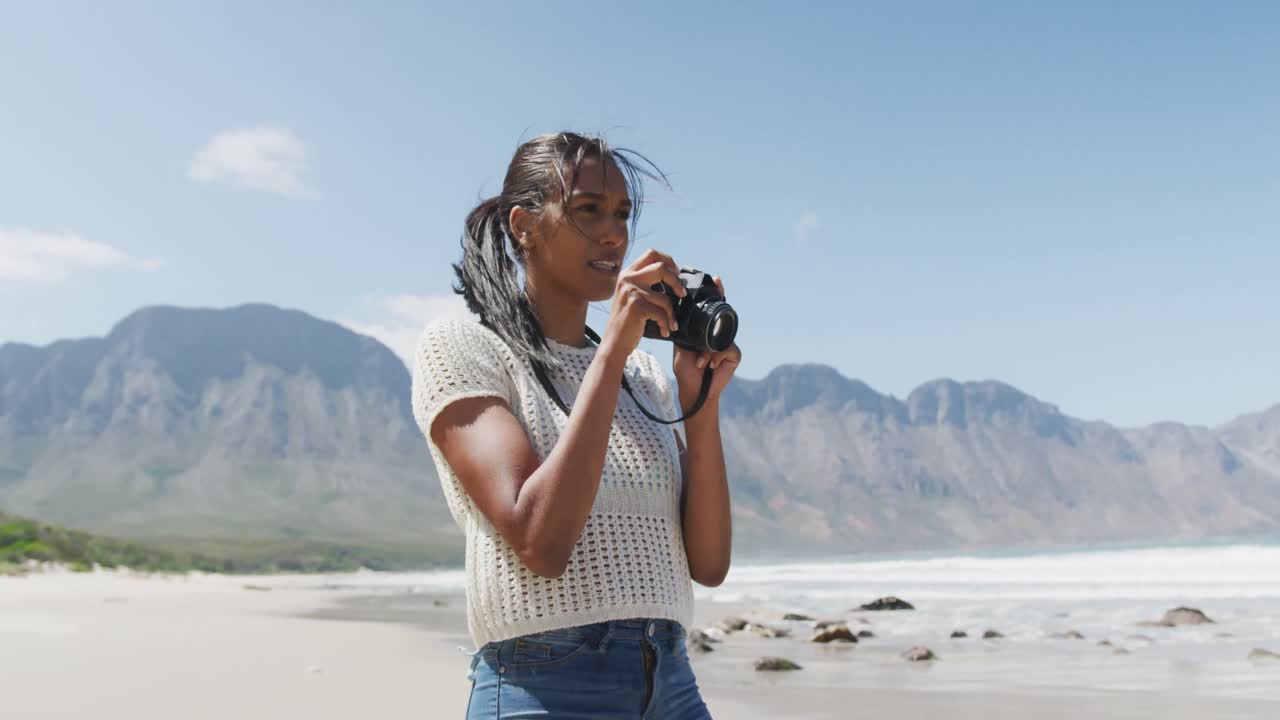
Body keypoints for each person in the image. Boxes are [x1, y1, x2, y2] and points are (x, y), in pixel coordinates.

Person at [411, 131, 741, 719]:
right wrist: (612, 351)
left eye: (622, 214)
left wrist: (702, 403)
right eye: (588, 210)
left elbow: (709, 564)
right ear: (524, 225)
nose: (614, 233)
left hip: (669, 680)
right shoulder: (463, 348)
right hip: (544, 685)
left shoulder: (645, 378)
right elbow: (540, 540)